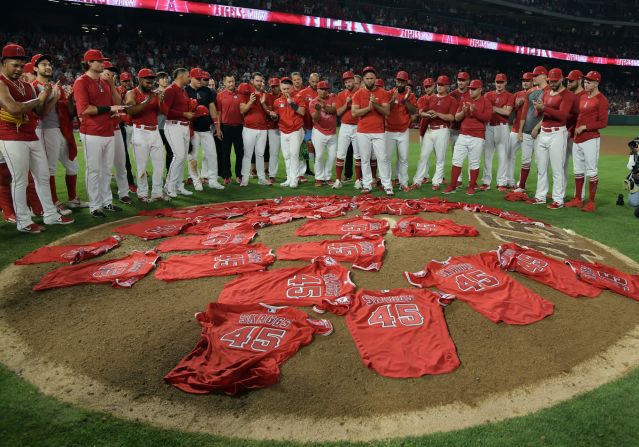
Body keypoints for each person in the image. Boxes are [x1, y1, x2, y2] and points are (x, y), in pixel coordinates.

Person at [0, 43, 74, 233]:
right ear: (3, 63)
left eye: (20, 65)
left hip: (30, 134)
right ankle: (24, 222)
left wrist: (51, 97)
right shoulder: (1, 82)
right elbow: (14, 108)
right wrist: (40, 99)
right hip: (10, 136)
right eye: (14, 65)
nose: (18, 69)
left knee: (42, 176)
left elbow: (39, 112)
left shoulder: (25, 85)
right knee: (20, 180)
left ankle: (50, 214)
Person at [31, 53, 87, 212]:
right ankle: (54, 202)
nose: (48, 67)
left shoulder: (57, 87)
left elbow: (70, 113)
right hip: (45, 130)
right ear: (35, 68)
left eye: (49, 64)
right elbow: (39, 113)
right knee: (50, 169)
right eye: (43, 64)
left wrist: (69, 100)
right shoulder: (33, 86)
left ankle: (72, 199)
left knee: (73, 165)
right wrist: (53, 96)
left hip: (63, 130)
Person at [74, 49, 126, 218]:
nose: (103, 64)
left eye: (103, 61)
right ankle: (95, 205)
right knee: (94, 170)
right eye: (99, 61)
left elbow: (118, 103)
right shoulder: (81, 82)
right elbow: (84, 109)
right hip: (92, 132)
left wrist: (111, 86)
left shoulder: (104, 83)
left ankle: (107, 202)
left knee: (106, 170)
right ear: (89, 62)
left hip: (108, 130)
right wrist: (109, 109)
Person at [528, 68, 575, 209]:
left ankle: (558, 200)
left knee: (557, 168)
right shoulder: (546, 92)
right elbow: (539, 113)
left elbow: (563, 116)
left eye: (555, 81)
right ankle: (540, 196)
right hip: (544, 132)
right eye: (551, 81)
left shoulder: (567, 95)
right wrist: (537, 108)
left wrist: (544, 108)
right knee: (541, 167)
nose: (553, 83)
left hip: (557, 133)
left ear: (562, 79)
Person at [565, 71, 609, 212]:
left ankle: (591, 202)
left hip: (591, 139)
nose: (586, 83)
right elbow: (578, 117)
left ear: (596, 83)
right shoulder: (583, 96)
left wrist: (585, 127)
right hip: (577, 139)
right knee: (578, 170)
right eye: (585, 81)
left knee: (591, 171)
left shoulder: (602, 100)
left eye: (589, 81)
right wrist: (572, 129)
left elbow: (603, 122)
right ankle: (578, 199)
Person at [443, 79, 492, 195]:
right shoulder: (464, 100)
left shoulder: (486, 101)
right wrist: (463, 112)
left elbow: (487, 118)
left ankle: (471, 186)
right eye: (470, 89)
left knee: (474, 163)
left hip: (477, 136)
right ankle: (453, 185)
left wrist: (474, 112)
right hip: (463, 134)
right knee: (456, 160)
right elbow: (456, 118)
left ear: (480, 89)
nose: (471, 91)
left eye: (474, 89)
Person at [124, 68, 167, 202]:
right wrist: (148, 101)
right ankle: (142, 194)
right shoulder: (132, 93)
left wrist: (161, 100)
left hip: (155, 131)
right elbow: (130, 110)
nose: (150, 83)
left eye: (152, 80)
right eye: (147, 81)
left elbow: (164, 111)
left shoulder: (155, 94)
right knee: (141, 166)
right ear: (140, 80)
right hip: (140, 131)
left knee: (159, 164)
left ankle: (157, 192)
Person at [351, 66, 393, 195]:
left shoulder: (383, 93)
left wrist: (375, 104)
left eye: (372, 78)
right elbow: (354, 113)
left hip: (379, 131)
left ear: (375, 79)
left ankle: (387, 185)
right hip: (363, 131)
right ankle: (367, 184)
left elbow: (386, 111)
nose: (369, 80)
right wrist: (368, 108)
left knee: (383, 158)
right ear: (364, 79)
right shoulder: (358, 94)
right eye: (367, 78)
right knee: (365, 158)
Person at [413, 75, 457, 191]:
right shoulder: (431, 98)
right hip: (429, 129)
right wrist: (427, 114)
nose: (439, 86)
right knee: (423, 156)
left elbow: (451, 118)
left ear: (448, 86)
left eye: (442, 85)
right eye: (438, 84)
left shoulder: (452, 100)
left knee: (440, 158)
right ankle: (417, 181)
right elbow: (421, 112)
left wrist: (437, 114)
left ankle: (436, 182)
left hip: (443, 130)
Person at [185, 67, 223, 190]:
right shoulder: (185, 91)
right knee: (193, 156)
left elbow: (212, 108)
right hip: (193, 129)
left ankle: (212, 180)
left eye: (201, 78)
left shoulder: (207, 91)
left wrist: (217, 126)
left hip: (207, 129)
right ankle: (196, 181)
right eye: (197, 78)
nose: (200, 80)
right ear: (191, 77)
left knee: (212, 155)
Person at [101, 63, 133, 205]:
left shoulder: (113, 87)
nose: (110, 76)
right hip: (101, 130)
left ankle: (124, 193)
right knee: (105, 167)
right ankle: (105, 198)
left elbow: (120, 103)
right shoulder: (96, 86)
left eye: (113, 74)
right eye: (108, 73)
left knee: (121, 163)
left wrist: (112, 86)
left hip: (116, 128)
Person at [264, 77, 305, 188]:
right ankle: (289, 178)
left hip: (296, 130)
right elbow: (276, 117)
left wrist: (291, 103)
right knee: (287, 156)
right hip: (283, 131)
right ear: (281, 89)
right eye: (284, 89)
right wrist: (273, 116)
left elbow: (302, 112)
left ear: (292, 88)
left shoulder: (298, 97)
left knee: (294, 154)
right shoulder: (277, 101)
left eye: (288, 88)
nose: (286, 91)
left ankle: (295, 179)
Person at [514, 66, 549, 193]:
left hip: (541, 132)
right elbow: (524, 113)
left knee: (540, 162)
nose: (533, 78)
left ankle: (541, 190)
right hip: (526, 131)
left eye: (536, 76)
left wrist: (537, 127)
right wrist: (520, 131)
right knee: (525, 160)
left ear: (544, 76)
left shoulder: (550, 91)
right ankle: (521, 186)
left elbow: (548, 113)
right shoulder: (530, 92)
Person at [162, 67, 195, 197]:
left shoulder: (183, 91)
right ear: (180, 76)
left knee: (182, 157)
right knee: (179, 156)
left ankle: (179, 186)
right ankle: (169, 186)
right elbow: (166, 111)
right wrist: (183, 113)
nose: (189, 78)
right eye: (188, 76)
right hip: (173, 126)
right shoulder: (170, 90)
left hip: (184, 126)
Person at [385, 71, 417, 192]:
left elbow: (413, 111)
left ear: (406, 82)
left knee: (403, 158)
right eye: (398, 80)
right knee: (387, 158)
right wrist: (392, 100)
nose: (400, 83)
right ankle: (387, 182)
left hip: (403, 131)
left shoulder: (411, 95)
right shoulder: (389, 93)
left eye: (402, 81)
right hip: (389, 131)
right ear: (395, 81)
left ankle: (403, 182)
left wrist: (406, 101)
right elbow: (386, 110)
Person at [482, 73, 514, 191]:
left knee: (503, 155)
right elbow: (485, 110)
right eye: (497, 82)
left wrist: (493, 108)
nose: (499, 84)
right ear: (495, 82)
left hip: (502, 127)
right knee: (487, 155)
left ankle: (501, 182)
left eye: (501, 82)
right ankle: (486, 181)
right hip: (489, 127)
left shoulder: (510, 96)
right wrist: (501, 108)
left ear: (505, 83)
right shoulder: (488, 94)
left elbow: (507, 113)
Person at [239, 72, 269, 186]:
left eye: (261, 81)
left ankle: (262, 178)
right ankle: (245, 179)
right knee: (247, 154)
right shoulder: (246, 94)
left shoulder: (264, 94)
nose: (259, 83)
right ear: (252, 81)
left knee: (260, 154)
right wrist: (251, 101)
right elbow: (242, 110)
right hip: (249, 128)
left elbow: (268, 111)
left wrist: (263, 103)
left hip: (262, 128)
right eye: (257, 81)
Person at [506, 72, 533, 189]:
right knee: (509, 155)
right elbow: (509, 111)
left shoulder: (537, 94)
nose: (525, 82)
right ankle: (510, 181)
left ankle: (522, 183)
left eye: (527, 80)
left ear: (532, 81)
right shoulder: (517, 94)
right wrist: (516, 105)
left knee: (526, 159)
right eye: (523, 80)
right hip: (515, 129)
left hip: (529, 131)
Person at [215, 74, 244, 184]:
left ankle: (239, 175)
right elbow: (218, 113)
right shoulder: (220, 96)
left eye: (233, 81)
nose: (231, 84)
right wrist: (218, 128)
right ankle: (226, 176)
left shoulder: (240, 95)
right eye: (229, 82)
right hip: (226, 127)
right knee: (225, 153)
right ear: (224, 83)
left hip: (239, 127)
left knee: (240, 153)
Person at [309, 80, 337, 186]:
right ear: (317, 90)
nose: (324, 91)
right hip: (319, 132)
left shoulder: (333, 97)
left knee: (332, 156)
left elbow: (334, 110)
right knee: (319, 156)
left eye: (326, 89)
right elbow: (315, 119)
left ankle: (328, 177)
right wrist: (317, 110)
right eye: (321, 89)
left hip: (332, 132)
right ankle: (319, 178)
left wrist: (324, 106)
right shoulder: (313, 102)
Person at [333, 70, 359, 189]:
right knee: (341, 153)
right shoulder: (341, 95)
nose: (348, 83)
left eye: (350, 80)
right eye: (346, 81)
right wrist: (347, 104)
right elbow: (338, 112)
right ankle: (338, 180)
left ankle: (358, 180)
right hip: (345, 126)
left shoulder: (360, 93)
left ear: (354, 80)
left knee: (358, 155)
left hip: (358, 126)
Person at [565, 69, 586, 198]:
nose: (568, 82)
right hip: (563, 134)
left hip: (577, 136)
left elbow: (580, 118)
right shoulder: (567, 94)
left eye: (571, 80)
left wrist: (570, 130)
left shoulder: (584, 96)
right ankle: (559, 193)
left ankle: (579, 195)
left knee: (579, 167)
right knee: (561, 166)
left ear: (579, 80)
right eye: (568, 80)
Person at [116, 71, 136, 193]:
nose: (127, 83)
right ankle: (129, 182)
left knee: (137, 153)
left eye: (128, 80)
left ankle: (139, 176)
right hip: (123, 125)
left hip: (135, 125)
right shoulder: (117, 91)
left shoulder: (134, 91)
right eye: (124, 81)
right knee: (124, 155)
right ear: (120, 81)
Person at [264, 77, 281, 183]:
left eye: (276, 86)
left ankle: (299, 174)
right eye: (273, 86)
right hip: (273, 128)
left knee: (294, 152)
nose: (275, 88)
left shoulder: (285, 95)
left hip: (288, 127)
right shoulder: (267, 97)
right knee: (273, 152)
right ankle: (272, 175)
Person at [156, 71, 173, 173]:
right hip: (158, 127)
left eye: (166, 78)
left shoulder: (171, 93)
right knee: (158, 154)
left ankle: (169, 175)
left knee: (171, 153)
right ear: (157, 81)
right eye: (162, 78)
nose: (165, 80)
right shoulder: (154, 94)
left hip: (170, 127)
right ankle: (158, 176)